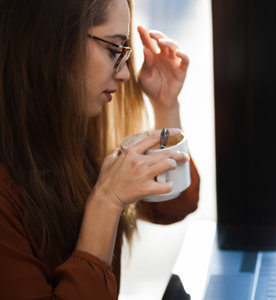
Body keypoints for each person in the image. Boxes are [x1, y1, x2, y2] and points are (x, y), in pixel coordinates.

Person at [0, 0, 200, 299]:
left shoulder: (73, 135)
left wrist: (165, 104)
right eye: (113, 50)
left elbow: (173, 204)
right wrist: (106, 203)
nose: (124, 74)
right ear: (51, 41)